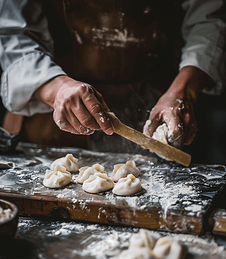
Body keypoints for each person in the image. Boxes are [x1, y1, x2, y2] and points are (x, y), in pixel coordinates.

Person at [0, 0, 225, 155]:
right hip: (50, 121)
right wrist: (55, 87)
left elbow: (209, 19)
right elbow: (12, 33)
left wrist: (184, 90)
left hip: (160, 102)